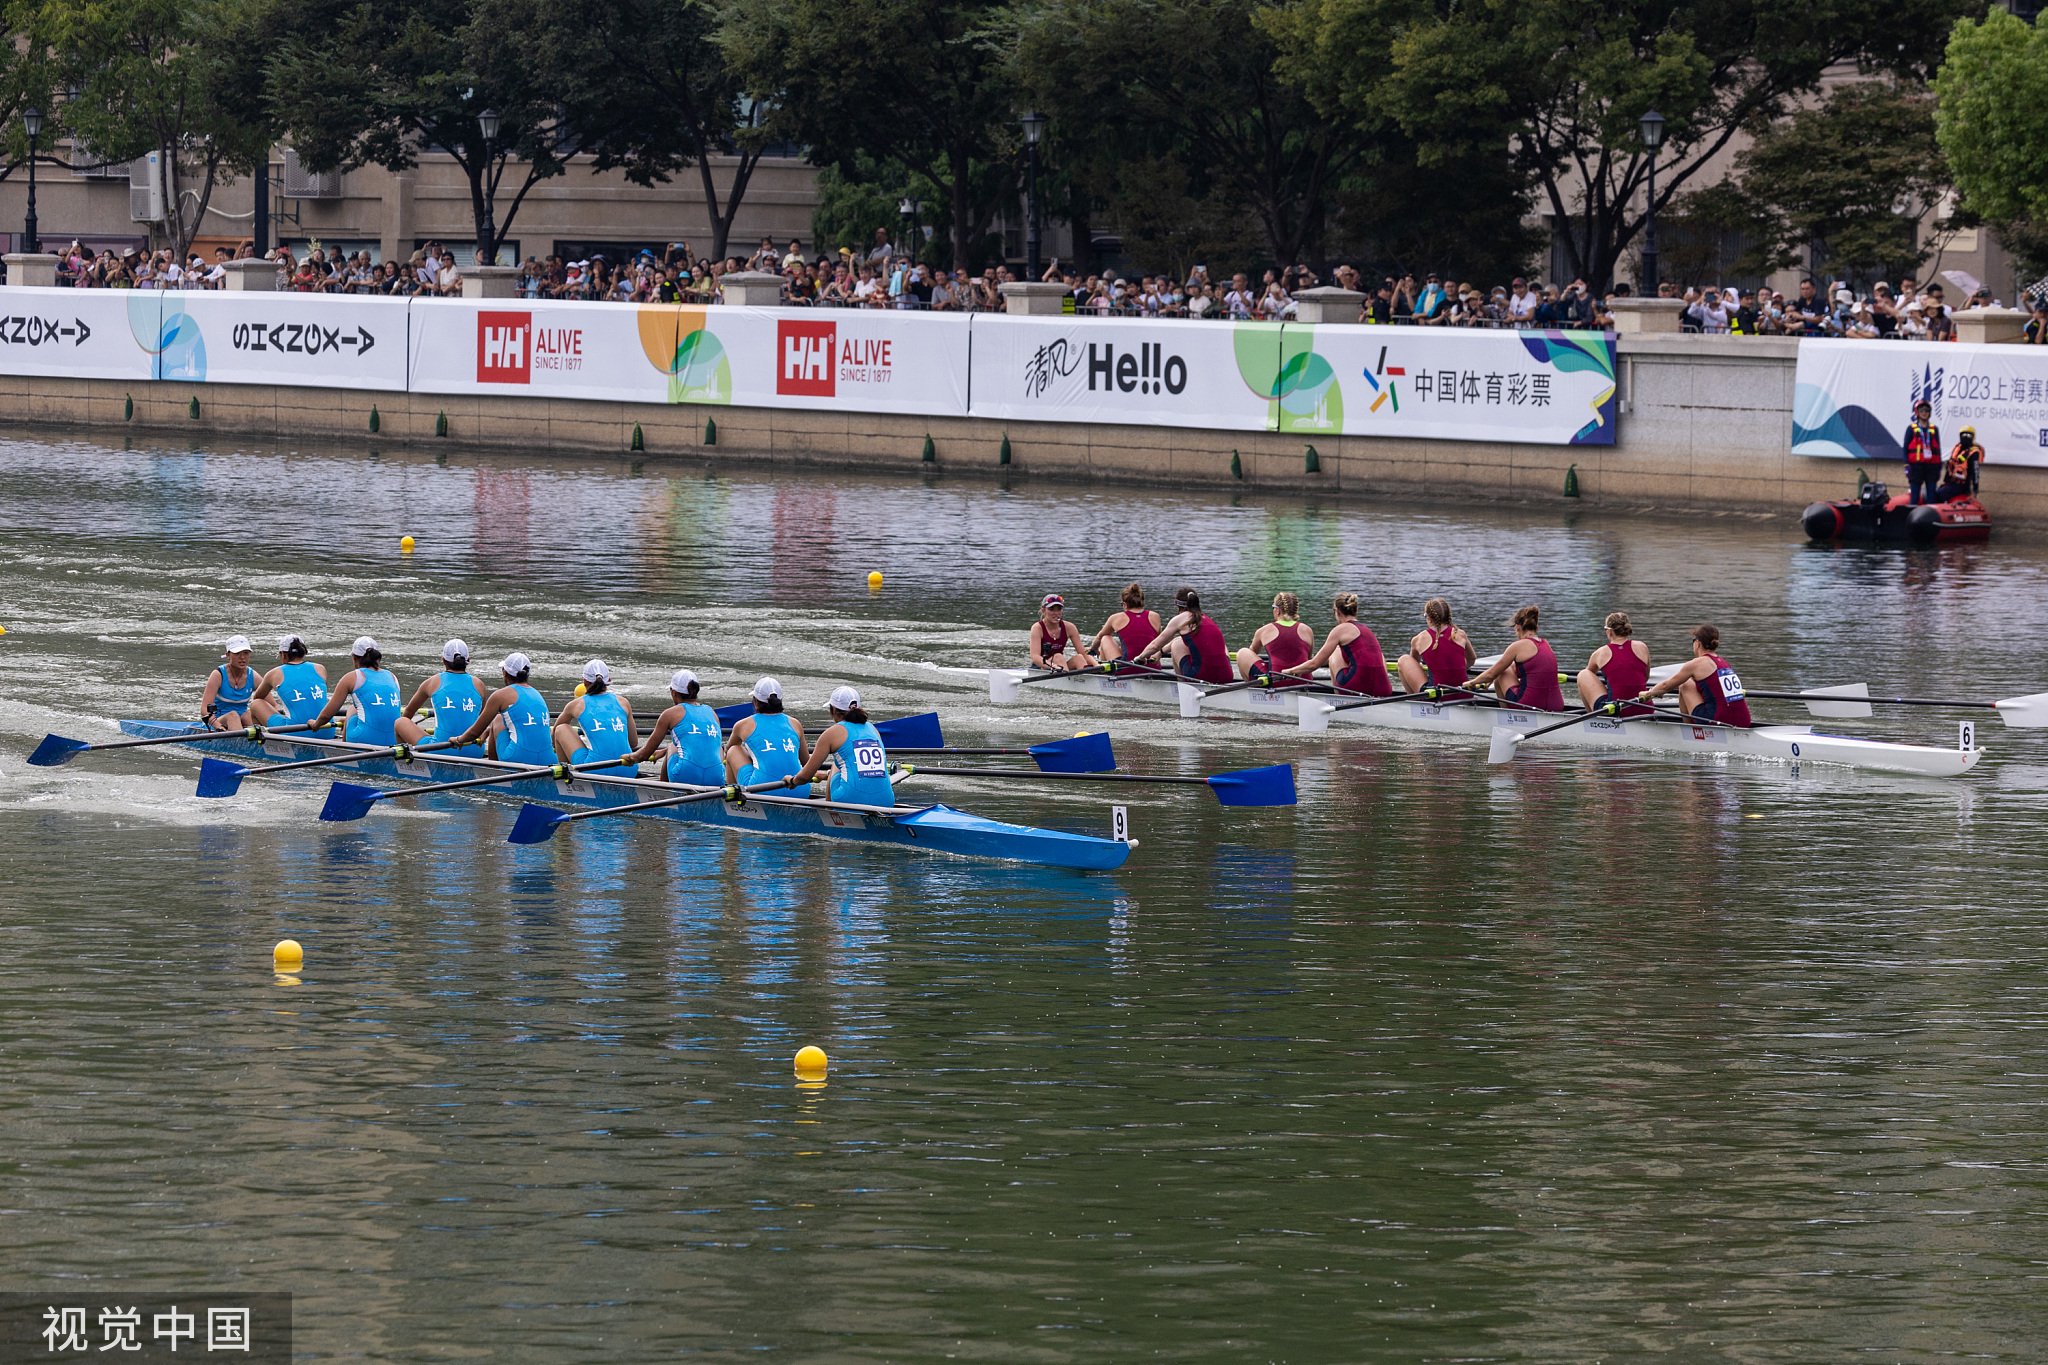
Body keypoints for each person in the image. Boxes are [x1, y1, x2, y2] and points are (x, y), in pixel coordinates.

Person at [782, 685, 895, 806]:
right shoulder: (873, 729)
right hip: (887, 800)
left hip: (849, 799)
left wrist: (792, 781)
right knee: (847, 761)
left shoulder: (831, 733)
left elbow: (805, 777)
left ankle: (830, 811)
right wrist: (824, 775)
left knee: (836, 764)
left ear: (834, 710)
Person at [622, 669, 725, 786]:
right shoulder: (712, 713)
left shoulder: (670, 714)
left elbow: (644, 755)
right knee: (717, 748)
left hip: (685, 776)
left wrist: (630, 757)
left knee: (672, 745)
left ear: (674, 693)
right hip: (717, 778)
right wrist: (663, 752)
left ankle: (663, 789)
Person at [448, 652, 555, 764]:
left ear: (504, 672)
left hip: (516, 758)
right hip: (549, 760)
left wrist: (458, 740)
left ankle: (493, 768)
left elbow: (474, 733)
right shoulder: (537, 694)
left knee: (498, 719)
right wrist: (488, 730)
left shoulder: (500, 695)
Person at [311, 637, 420, 745]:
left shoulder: (351, 677)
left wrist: (315, 725)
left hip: (364, 738)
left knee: (352, 708)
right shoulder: (392, 676)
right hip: (394, 739)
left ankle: (345, 745)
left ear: (354, 658)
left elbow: (327, 715)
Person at [1639, 624, 1751, 728]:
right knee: (1691, 684)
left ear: (1697, 643)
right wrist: (1661, 690)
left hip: (1719, 720)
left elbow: (1665, 685)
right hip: (1744, 720)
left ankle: (1689, 731)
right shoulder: (1723, 663)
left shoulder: (1696, 664)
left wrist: (1649, 693)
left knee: (1685, 685)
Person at [1283, 593, 1391, 697]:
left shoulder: (1339, 630)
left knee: (1335, 652)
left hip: (1356, 686)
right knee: (1378, 655)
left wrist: (1291, 671)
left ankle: (1338, 697)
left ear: (1337, 612)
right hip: (1383, 689)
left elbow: (1314, 664)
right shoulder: (1367, 630)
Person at [1465, 606, 1565, 711]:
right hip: (1556, 705)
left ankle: (1506, 715)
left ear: (1517, 627)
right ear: (1536, 627)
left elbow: (1491, 674)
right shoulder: (1546, 644)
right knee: (1505, 670)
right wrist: (1488, 679)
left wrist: (1471, 683)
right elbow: (1512, 669)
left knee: (1503, 672)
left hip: (1529, 704)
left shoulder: (1518, 646)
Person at [401, 638, 487, 757]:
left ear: (443, 660)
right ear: (468, 660)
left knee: (400, 722)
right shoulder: (479, 685)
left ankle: (401, 761)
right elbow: (484, 720)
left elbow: (409, 713)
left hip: (440, 749)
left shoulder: (432, 682)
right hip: (475, 750)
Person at [1129, 587, 1234, 684]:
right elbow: (1173, 641)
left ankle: (1181, 686)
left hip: (1201, 676)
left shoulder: (1180, 619)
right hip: (1227, 676)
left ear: (1178, 605)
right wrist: (1160, 653)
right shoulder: (1206, 619)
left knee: (1176, 645)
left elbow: (1155, 645)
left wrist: (1139, 658)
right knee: (1219, 644)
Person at [551, 659, 638, 770]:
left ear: (584, 681)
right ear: (609, 680)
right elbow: (633, 743)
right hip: (629, 768)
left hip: (594, 769)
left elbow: (554, 735)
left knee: (561, 728)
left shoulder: (576, 704)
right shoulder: (623, 702)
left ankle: (564, 775)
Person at [724, 677, 806, 786]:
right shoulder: (795, 723)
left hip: (760, 788)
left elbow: (727, 751)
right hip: (799, 787)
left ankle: (732, 793)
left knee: (733, 750)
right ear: (780, 700)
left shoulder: (742, 725)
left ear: (755, 701)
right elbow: (806, 762)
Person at [1575, 611, 1652, 715]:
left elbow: (1589, 677)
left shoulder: (1600, 653)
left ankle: (1590, 717)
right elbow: (1646, 677)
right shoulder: (1642, 647)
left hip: (1615, 711)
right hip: (1646, 708)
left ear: (1609, 631)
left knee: (1583, 674)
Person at [1395, 597, 1476, 695]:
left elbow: (1415, 665)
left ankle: (1412, 698)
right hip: (1465, 692)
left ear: (1428, 617)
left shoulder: (1418, 639)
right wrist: (1454, 668)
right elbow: (1472, 659)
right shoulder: (1460, 634)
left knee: (1404, 660)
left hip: (1435, 695)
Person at [249, 633, 330, 729]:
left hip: (294, 731)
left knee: (255, 704)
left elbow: (258, 697)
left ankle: (260, 736)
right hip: (327, 728)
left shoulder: (274, 674)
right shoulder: (320, 669)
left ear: (283, 655)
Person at [1234, 592, 1316, 686]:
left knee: (1243, 653)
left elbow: (1252, 653)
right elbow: (1309, 658)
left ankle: (1252, 689)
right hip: (1305, 681)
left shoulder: (1264, 631)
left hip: (1276, 682)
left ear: (1277, 610)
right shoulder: (1307, 630)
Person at [1088, 583, 1163, 669]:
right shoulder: (1155, 616)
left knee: (1105, 637)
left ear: (1124, 604)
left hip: (1125, 669)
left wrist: (1092, 650)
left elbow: (1099, 637)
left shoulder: (1115, 618)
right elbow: (1161, 641)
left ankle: (1104, 671)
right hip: (1154, 668)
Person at [201, 635, 261, 730]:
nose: (242, 657)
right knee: (233, 716)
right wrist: (218, 726)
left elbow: (273, 705)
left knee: (249, 714)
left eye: (246, 653)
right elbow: (204, 709)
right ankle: (241, 737)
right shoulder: (218, 675)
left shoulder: (253, 676)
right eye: (237, 653)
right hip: (219, 721)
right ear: (228, 655)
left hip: (242, 720)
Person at [1028, 593, 1095, 672]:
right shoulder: (1037, 628)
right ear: (1043, 610)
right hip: (1041, 667)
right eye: (1051, 609)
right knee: (1058, 656)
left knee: (1079, 658)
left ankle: (1086, 677)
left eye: (1059, 609)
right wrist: (1053, 666)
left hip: (1060, 666)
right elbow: (1035, 657)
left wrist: (1096, 665)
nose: (1056, 613)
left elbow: (1083, 654)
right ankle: (1067, 677)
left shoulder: (1070, 627)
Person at [1902, 399, 1943, 506]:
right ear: (1917, 412)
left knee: (1931, 496)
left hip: (1931, 467)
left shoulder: (1934, 429)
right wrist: (1906, 465)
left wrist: (1939, 467)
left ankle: (1929, 516)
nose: (1924, 413)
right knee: (1915, 497)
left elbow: (1938, 449)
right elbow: (1905, 448)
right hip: (1916, 467)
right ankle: (1912, 515)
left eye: (1927, 410)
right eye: (1921, 411)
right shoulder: (1911, 429)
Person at [1940, 425, 1985, 501]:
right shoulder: (1957, 448)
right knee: (1936, 492)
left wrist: (1975, 489)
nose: (1966, 437)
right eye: (1963, 435)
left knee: (1940, 494)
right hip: (1950, 483)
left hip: (1962, 486)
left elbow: (1975, 472)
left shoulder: (1974, 452)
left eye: (1968, 435)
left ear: (1973, 437)